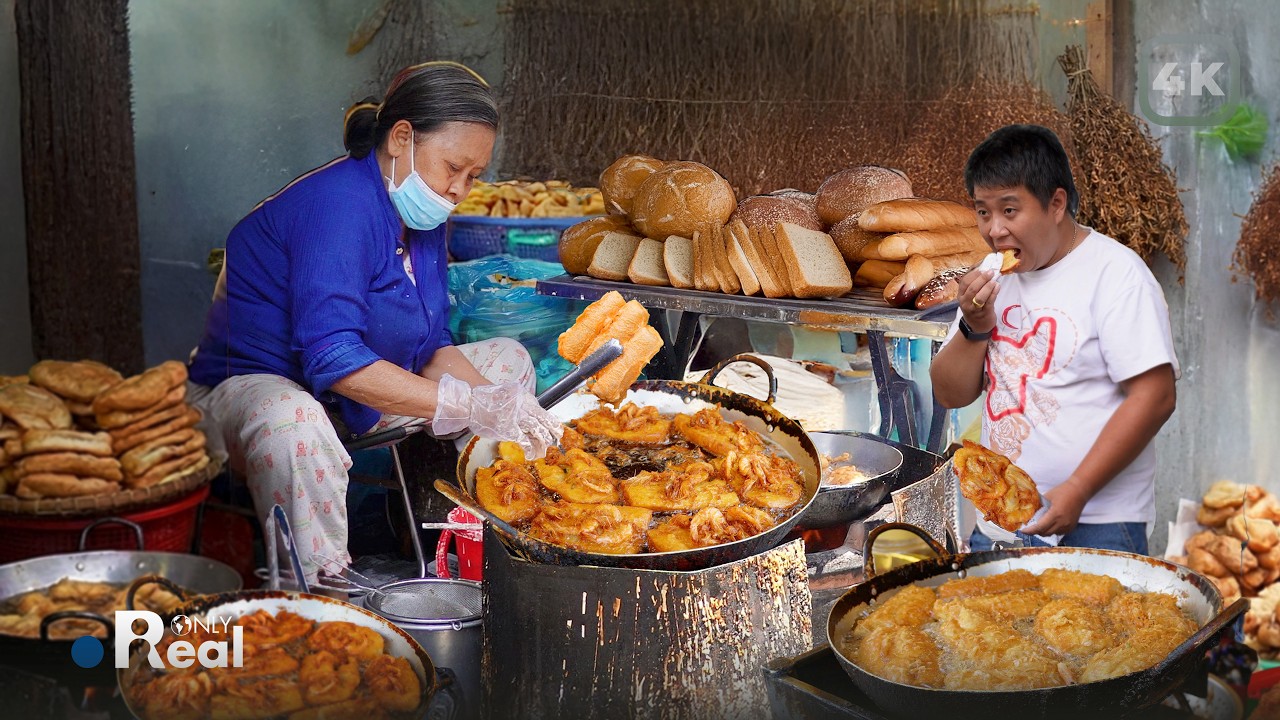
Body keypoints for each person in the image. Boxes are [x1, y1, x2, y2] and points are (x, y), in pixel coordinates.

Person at [187, 62, 563, 583]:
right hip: (254, 395)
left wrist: (500, 402)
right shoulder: (336, 205)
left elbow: (434, 345)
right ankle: (319, 592)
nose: (459, 190)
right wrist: (463, 403)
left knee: (508, 363)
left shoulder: (422, 216)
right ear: (401, 138)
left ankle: (462, 537)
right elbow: (334, 358)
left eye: (473, 176)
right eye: (452, 167)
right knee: (293, 422)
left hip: (346, 399)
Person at [930, 124, 1178, 555]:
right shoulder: (991, 274)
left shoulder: (1116, 275)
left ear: (1056, 203)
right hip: (1003, 522)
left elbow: (1156, 396)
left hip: (1098, 524)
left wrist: (1078, 489)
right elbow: (949, 393)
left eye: (1010, 210)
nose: (994, 230)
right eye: (983, 211)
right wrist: (974, 325)